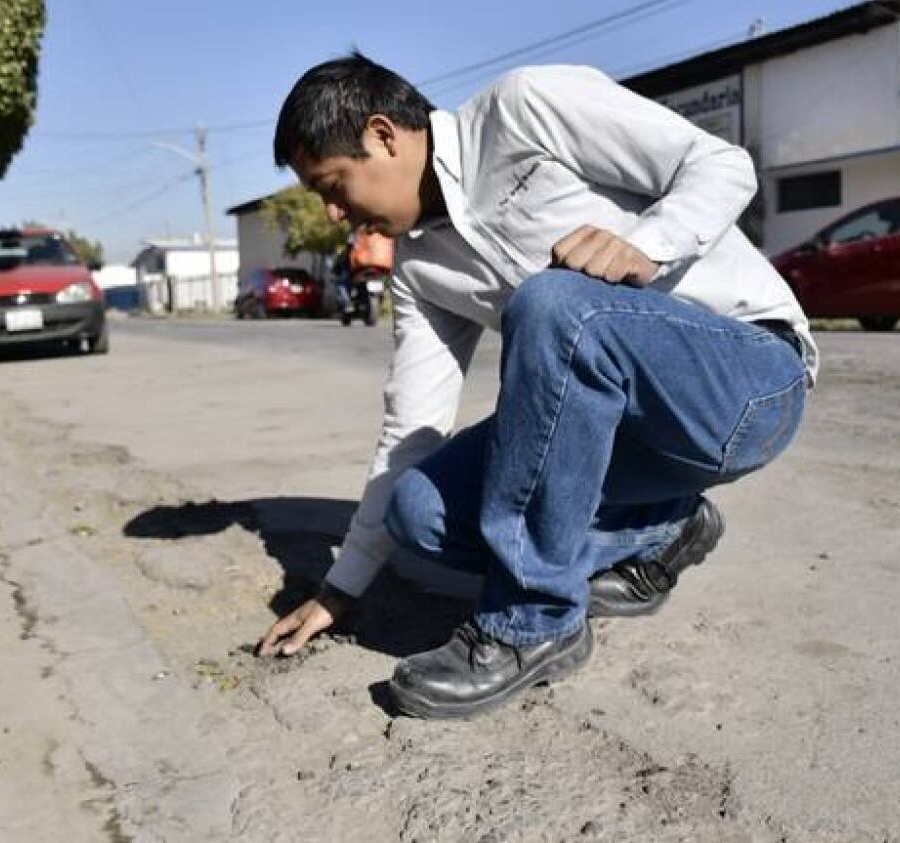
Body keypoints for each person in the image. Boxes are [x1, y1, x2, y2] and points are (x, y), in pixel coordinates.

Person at [257, 53, 818, 719]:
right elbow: (408, 429)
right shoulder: (419, 266)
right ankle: (657, 529)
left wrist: (647, 244)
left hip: (750, 382)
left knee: (554, 304)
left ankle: (532, 621)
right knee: (419, 508)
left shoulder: (524, 109)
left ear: (383, 135)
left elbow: (724, 165)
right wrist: (340, 586)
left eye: (332, 184)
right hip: (628, 445)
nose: (331, 212)